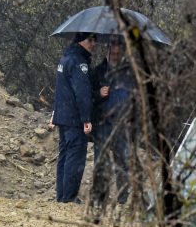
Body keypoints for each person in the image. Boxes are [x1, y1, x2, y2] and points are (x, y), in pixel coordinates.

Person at [52, 32, 97, 203]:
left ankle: (62, 196)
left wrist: (55, 113)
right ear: (83, 41)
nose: (94, 45)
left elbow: (60, 91)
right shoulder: (79, 62)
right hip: (74, 118)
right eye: (92, 41)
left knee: (64, 155)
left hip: (63, 116)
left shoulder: (65, 59)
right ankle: (69, 198)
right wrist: (86, 118)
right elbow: (82, 93)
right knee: (75, 156)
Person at [92, 35, 137, 204]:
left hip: (123, 124)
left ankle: (123, 199)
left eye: (118, 54)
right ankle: (99, 198)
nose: (115, 57)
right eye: (113, 53)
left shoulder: (129, 74)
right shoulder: (97, 72)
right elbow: (89, 97)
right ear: (108, 51)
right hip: (103, 124)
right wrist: (98, 94)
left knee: (123, 163)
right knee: (101, 161)